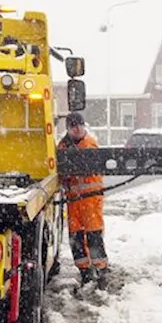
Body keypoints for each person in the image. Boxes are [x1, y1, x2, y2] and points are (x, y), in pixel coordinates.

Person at [56, 112, 110, 289]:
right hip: (74, 201)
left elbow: (92, 169)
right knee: (76, 236)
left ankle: (101, 270)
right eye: (73, 126)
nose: (77, 129)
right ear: (69, 128)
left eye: (79, 125)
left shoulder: (90, 145)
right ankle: (84, 271)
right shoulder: (63, 146)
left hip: (91, 200)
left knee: (94, 235)